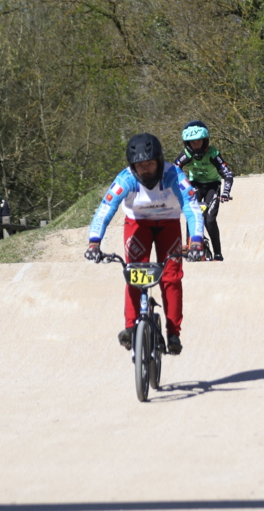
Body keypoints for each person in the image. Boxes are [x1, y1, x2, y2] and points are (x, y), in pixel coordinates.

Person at [85, 132, 205, 355]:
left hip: (169, 222)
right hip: (137, 224)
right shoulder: (126, 179)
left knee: (171, 277)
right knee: (134, 273)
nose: (146, 169)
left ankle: (173, 333)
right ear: (133, 166)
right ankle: (131, 328)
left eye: (150, 163)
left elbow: (191, 206)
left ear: (159, 160)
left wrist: (196, 240)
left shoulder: (173, 175)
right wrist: (94, 242)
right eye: (140, 165)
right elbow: (105, 209)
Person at [174, 122, 233, 261]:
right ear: (187, 144)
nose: (196, 145)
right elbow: (173, 172)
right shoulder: (186, 154)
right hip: (195, 185)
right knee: (192, 214)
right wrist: (178, 190)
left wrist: (225, 192)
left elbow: (227, 174)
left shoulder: (213, 153)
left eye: (199, 141)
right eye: (192, 142)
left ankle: (217, 253)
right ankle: (191, 247)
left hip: (213, 186)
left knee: (209, 219)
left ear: (205, 141)